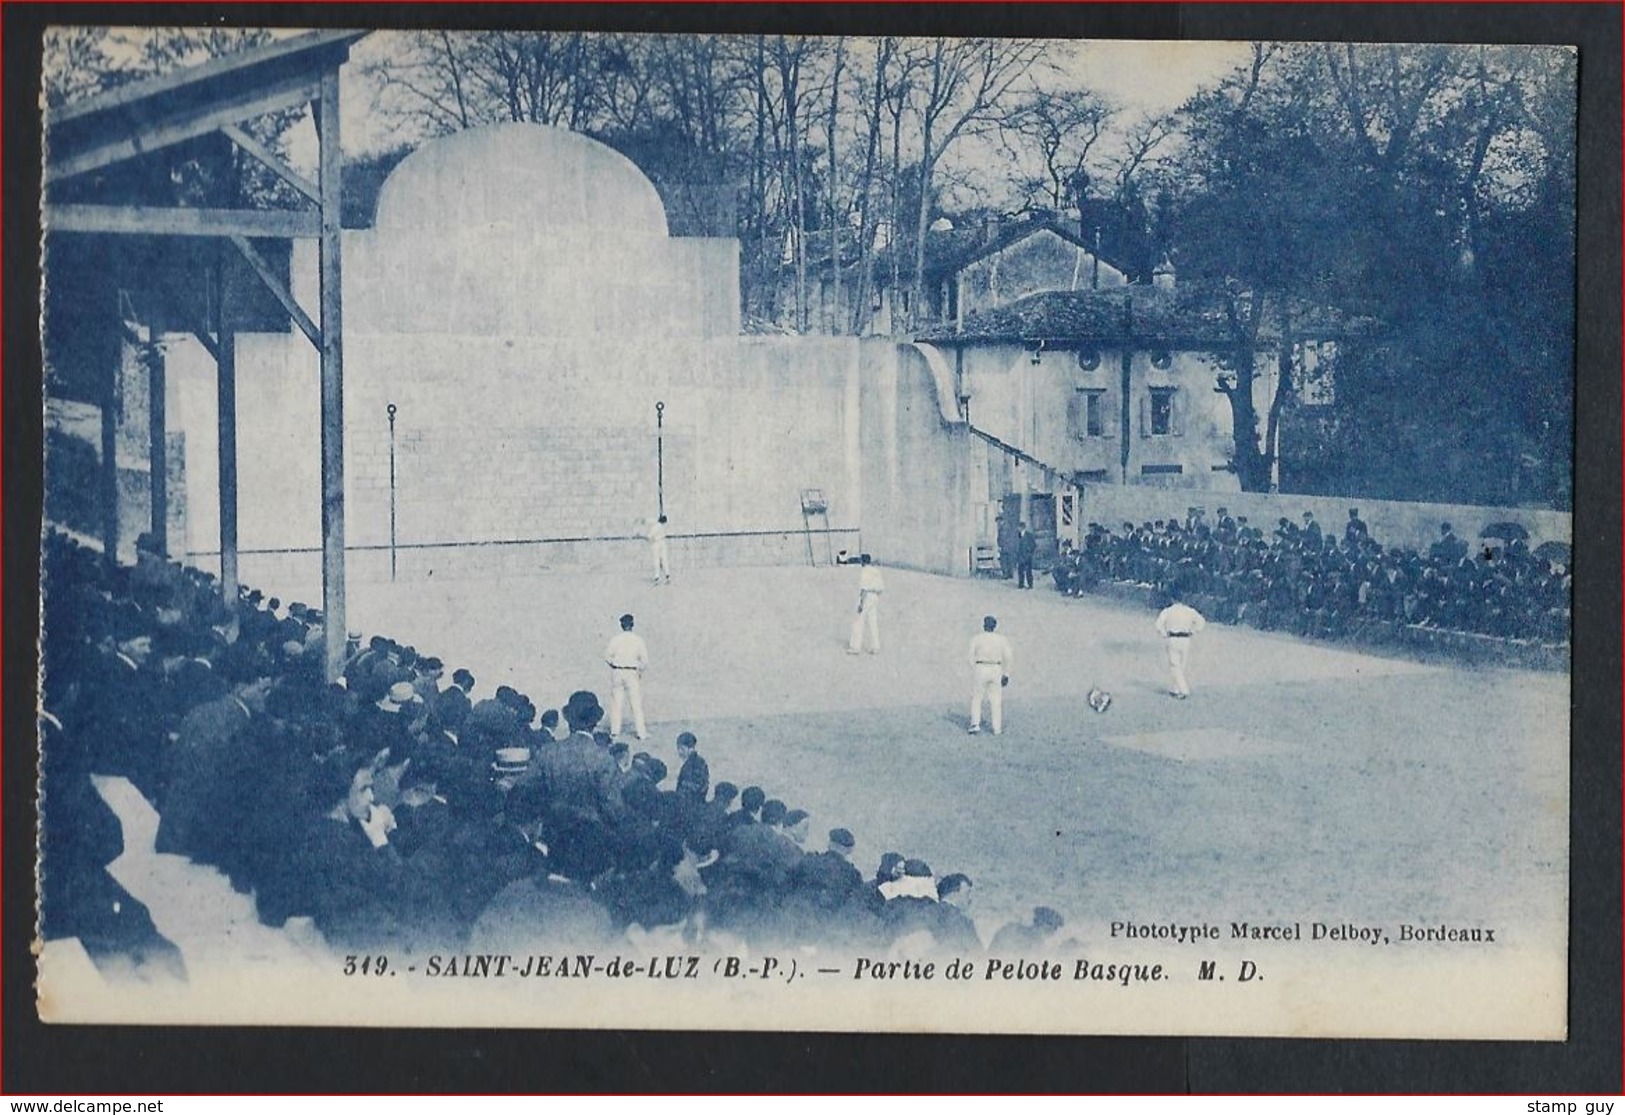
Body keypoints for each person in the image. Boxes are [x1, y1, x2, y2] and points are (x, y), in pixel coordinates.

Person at [603, 613, 649, 740]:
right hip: (631, 672)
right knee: (636, 703)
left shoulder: (616, 639)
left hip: (618, 671)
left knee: (616, 702)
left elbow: (607, 655)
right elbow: (645, 660)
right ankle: (641, 733)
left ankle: (615, 731)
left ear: (621, 625)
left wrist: (614, 664)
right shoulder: (638, 640)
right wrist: (638, 669)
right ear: (632, 625)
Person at [1154, 590, 1207, 699]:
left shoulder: (1168, 611)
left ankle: (1183, 689)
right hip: (1186, 639)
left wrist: (1164, 634)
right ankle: (1175, 689)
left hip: (1173, 638)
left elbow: (1158, 624)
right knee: (1182, 665)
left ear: (1172, 599)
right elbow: (1201, 622)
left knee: (1174, 665)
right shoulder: (1189, 611)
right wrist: (1193, 631)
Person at [967, 615, 1014, 735]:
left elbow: (969, 657)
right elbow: (1008, 657)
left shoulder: (977, 638)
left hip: (981, 667)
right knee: (996, 699)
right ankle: (996, 728)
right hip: (996, 668)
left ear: (984, 625)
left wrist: (975, 668)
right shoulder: (1001, 639)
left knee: (977, 697)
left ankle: (975, 724)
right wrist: (1006, 674)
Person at [845, 554, 884, 655]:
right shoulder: (876, 571)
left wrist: (861, 603)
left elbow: (864, 589)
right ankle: (875, 647)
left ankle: (855, 647)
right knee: (872, 622)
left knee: (858, 621)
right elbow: (881, 588)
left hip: (867, 596)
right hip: (875, 596)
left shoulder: (865, 571)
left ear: (863, 561)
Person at [648, 515, 672, 586]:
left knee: (656, 560)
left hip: (656, 544)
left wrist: (652, 540)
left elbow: (650, 536)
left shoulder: (655, 527)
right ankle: (667, 575)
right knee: (664, 559)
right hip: (662, 543)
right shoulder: (662, 527)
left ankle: (657, 577)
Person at [1016, 525, 1037, 589]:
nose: (1018, 528)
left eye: (1019, 527)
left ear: (1023, 528)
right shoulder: (1018, 535)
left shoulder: (1029, 535)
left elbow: (1034, 545)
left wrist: (1030, 553)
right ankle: (1021, 584)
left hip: (1027, 556)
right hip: (1020, 556)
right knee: (1020, 571)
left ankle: (1030, 585)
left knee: (1028, 571)